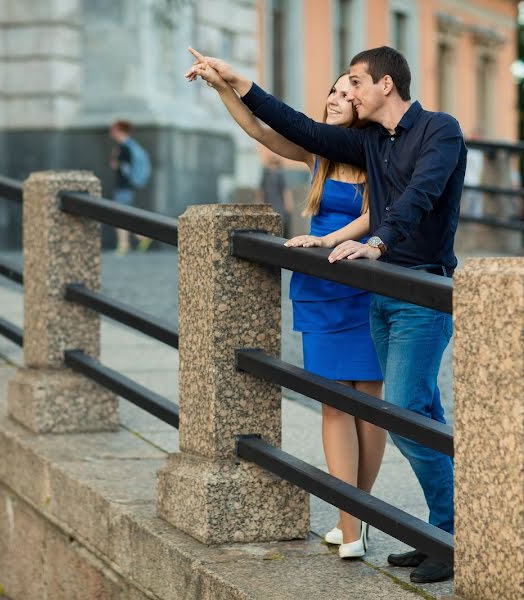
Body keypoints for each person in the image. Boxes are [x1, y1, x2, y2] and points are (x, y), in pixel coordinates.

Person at [187, 46, 465, 584]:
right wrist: (233, 80)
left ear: (385, 84)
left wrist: (374, 241)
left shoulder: (438, 130)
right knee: (418, 414)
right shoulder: (368, 141)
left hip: (416, 289)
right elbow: (287, 127)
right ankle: (444, 532)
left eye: (354, 83)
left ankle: (455, 535)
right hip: (378, 293)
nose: (346, 93)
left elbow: (419, 197)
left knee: (403, 411)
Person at [188, 54, 386, 561]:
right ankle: (351, 522)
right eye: (333, 92)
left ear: (366, 102)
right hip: (320, 287)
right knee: (333, 403)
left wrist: (332, 241)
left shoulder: (378, 156)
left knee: (370, 405)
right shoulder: (316, 154)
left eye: (348, 93)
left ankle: (356, 519)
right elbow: (257, 128)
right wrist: (220, 88)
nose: (336, 100)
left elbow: (375, 219)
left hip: (363, 284)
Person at [109, 120, 151, 254]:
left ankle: (125, 244)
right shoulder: (130, 146)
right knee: (123, 215)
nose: (111, 132)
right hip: (127, 186)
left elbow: (118, 167)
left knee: (119, 216)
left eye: (113, 129)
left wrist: (115, 159)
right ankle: (140, 237)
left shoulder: (123, 148)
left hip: (123, 187)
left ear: (119, 130)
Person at [256, 154, 294, 234]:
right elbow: (261, 190)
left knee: (280, 222)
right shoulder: (266, 174)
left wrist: (288, 204)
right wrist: (259, 202)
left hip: (279, 204)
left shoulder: (280, 174)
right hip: (269, 202)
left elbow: (285, 191)